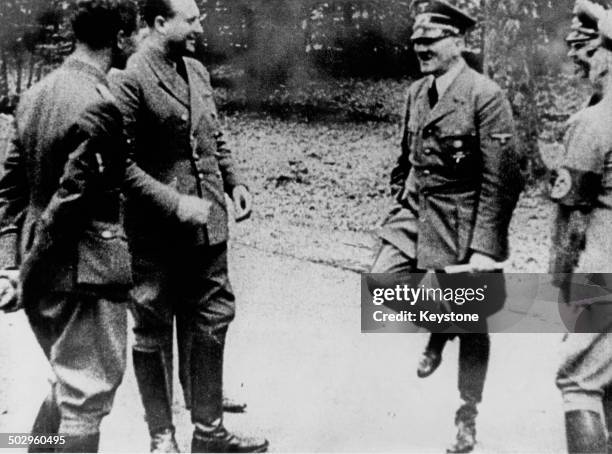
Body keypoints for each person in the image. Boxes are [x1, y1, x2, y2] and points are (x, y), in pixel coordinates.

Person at [109, 0, 268, 452]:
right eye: (192, 19)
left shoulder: (196, 70)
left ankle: (209, 432)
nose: (201, 25)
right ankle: (162, 436)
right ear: (160, 23)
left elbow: (213, 137)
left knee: (212, 319)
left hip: (208, 225)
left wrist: (234, 181)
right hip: (157, 231)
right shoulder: (131, 77)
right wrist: (175, 203)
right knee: (153, 328)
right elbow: (119, 163)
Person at [371, 1, 522, 452]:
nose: (422, 48)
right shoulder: (417, 92)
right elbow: (407, 156)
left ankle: (466, 415)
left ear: (458, 43)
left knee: (476, 322)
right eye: (417, 42)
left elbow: (503, 179)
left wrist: (484, 248)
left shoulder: (485, 95)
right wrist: (402, 193)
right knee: (383, 283)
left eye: (431, 40)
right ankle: (442, 328)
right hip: (418, 212)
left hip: (464, 219)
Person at [0, 0, 139, 451]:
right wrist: (33, 264)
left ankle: (33, 448)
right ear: (119, 38)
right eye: (132, 35)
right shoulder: (101, 104)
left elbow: (10, 192)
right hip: (83, 270)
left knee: (66, 379)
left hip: (38, 267)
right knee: (87, 395)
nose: (134, 44)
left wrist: (12, 266)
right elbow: (73, 199)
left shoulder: (33, 96)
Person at [550, 1, 612, 452]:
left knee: (579, 380)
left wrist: (561, 286)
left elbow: (571, 220)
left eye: (593, 53)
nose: (587, 64)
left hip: (603, 263)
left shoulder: (593, 122)